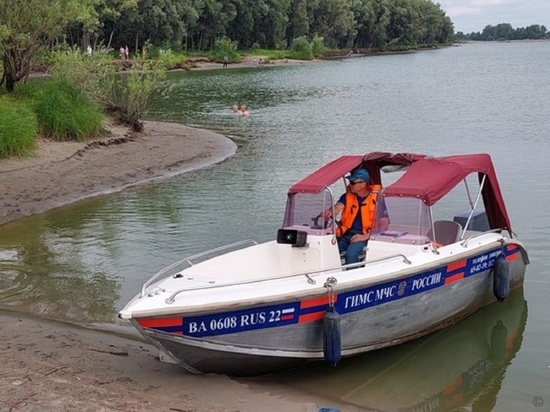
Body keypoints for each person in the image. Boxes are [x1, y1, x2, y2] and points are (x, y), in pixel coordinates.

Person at [324, 169, 389, 265]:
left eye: (352, 182)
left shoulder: (378, 200)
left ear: (363, 184)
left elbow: (384, 226)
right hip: (345, 235)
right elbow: (338, 206)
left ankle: (352, 276)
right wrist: (330, 212)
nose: (349, 185)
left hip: (366, 235)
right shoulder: (347, 196)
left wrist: (365, 236)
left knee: (351, 254)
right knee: (329, 251)